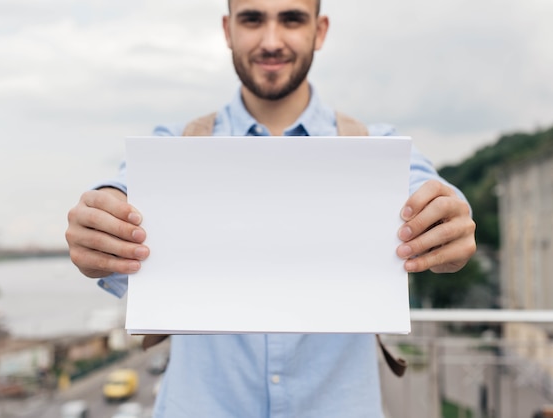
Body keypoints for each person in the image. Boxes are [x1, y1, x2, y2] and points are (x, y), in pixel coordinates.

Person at [65, 0, 477, 416]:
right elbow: (120, 192)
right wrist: (101, 221)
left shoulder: (379, 151)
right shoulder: (176, 146)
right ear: (228, 30)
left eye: (292, 19)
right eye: (252, 19)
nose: (271, 40)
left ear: (320, 30)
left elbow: (436, 195)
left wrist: (450, 226)